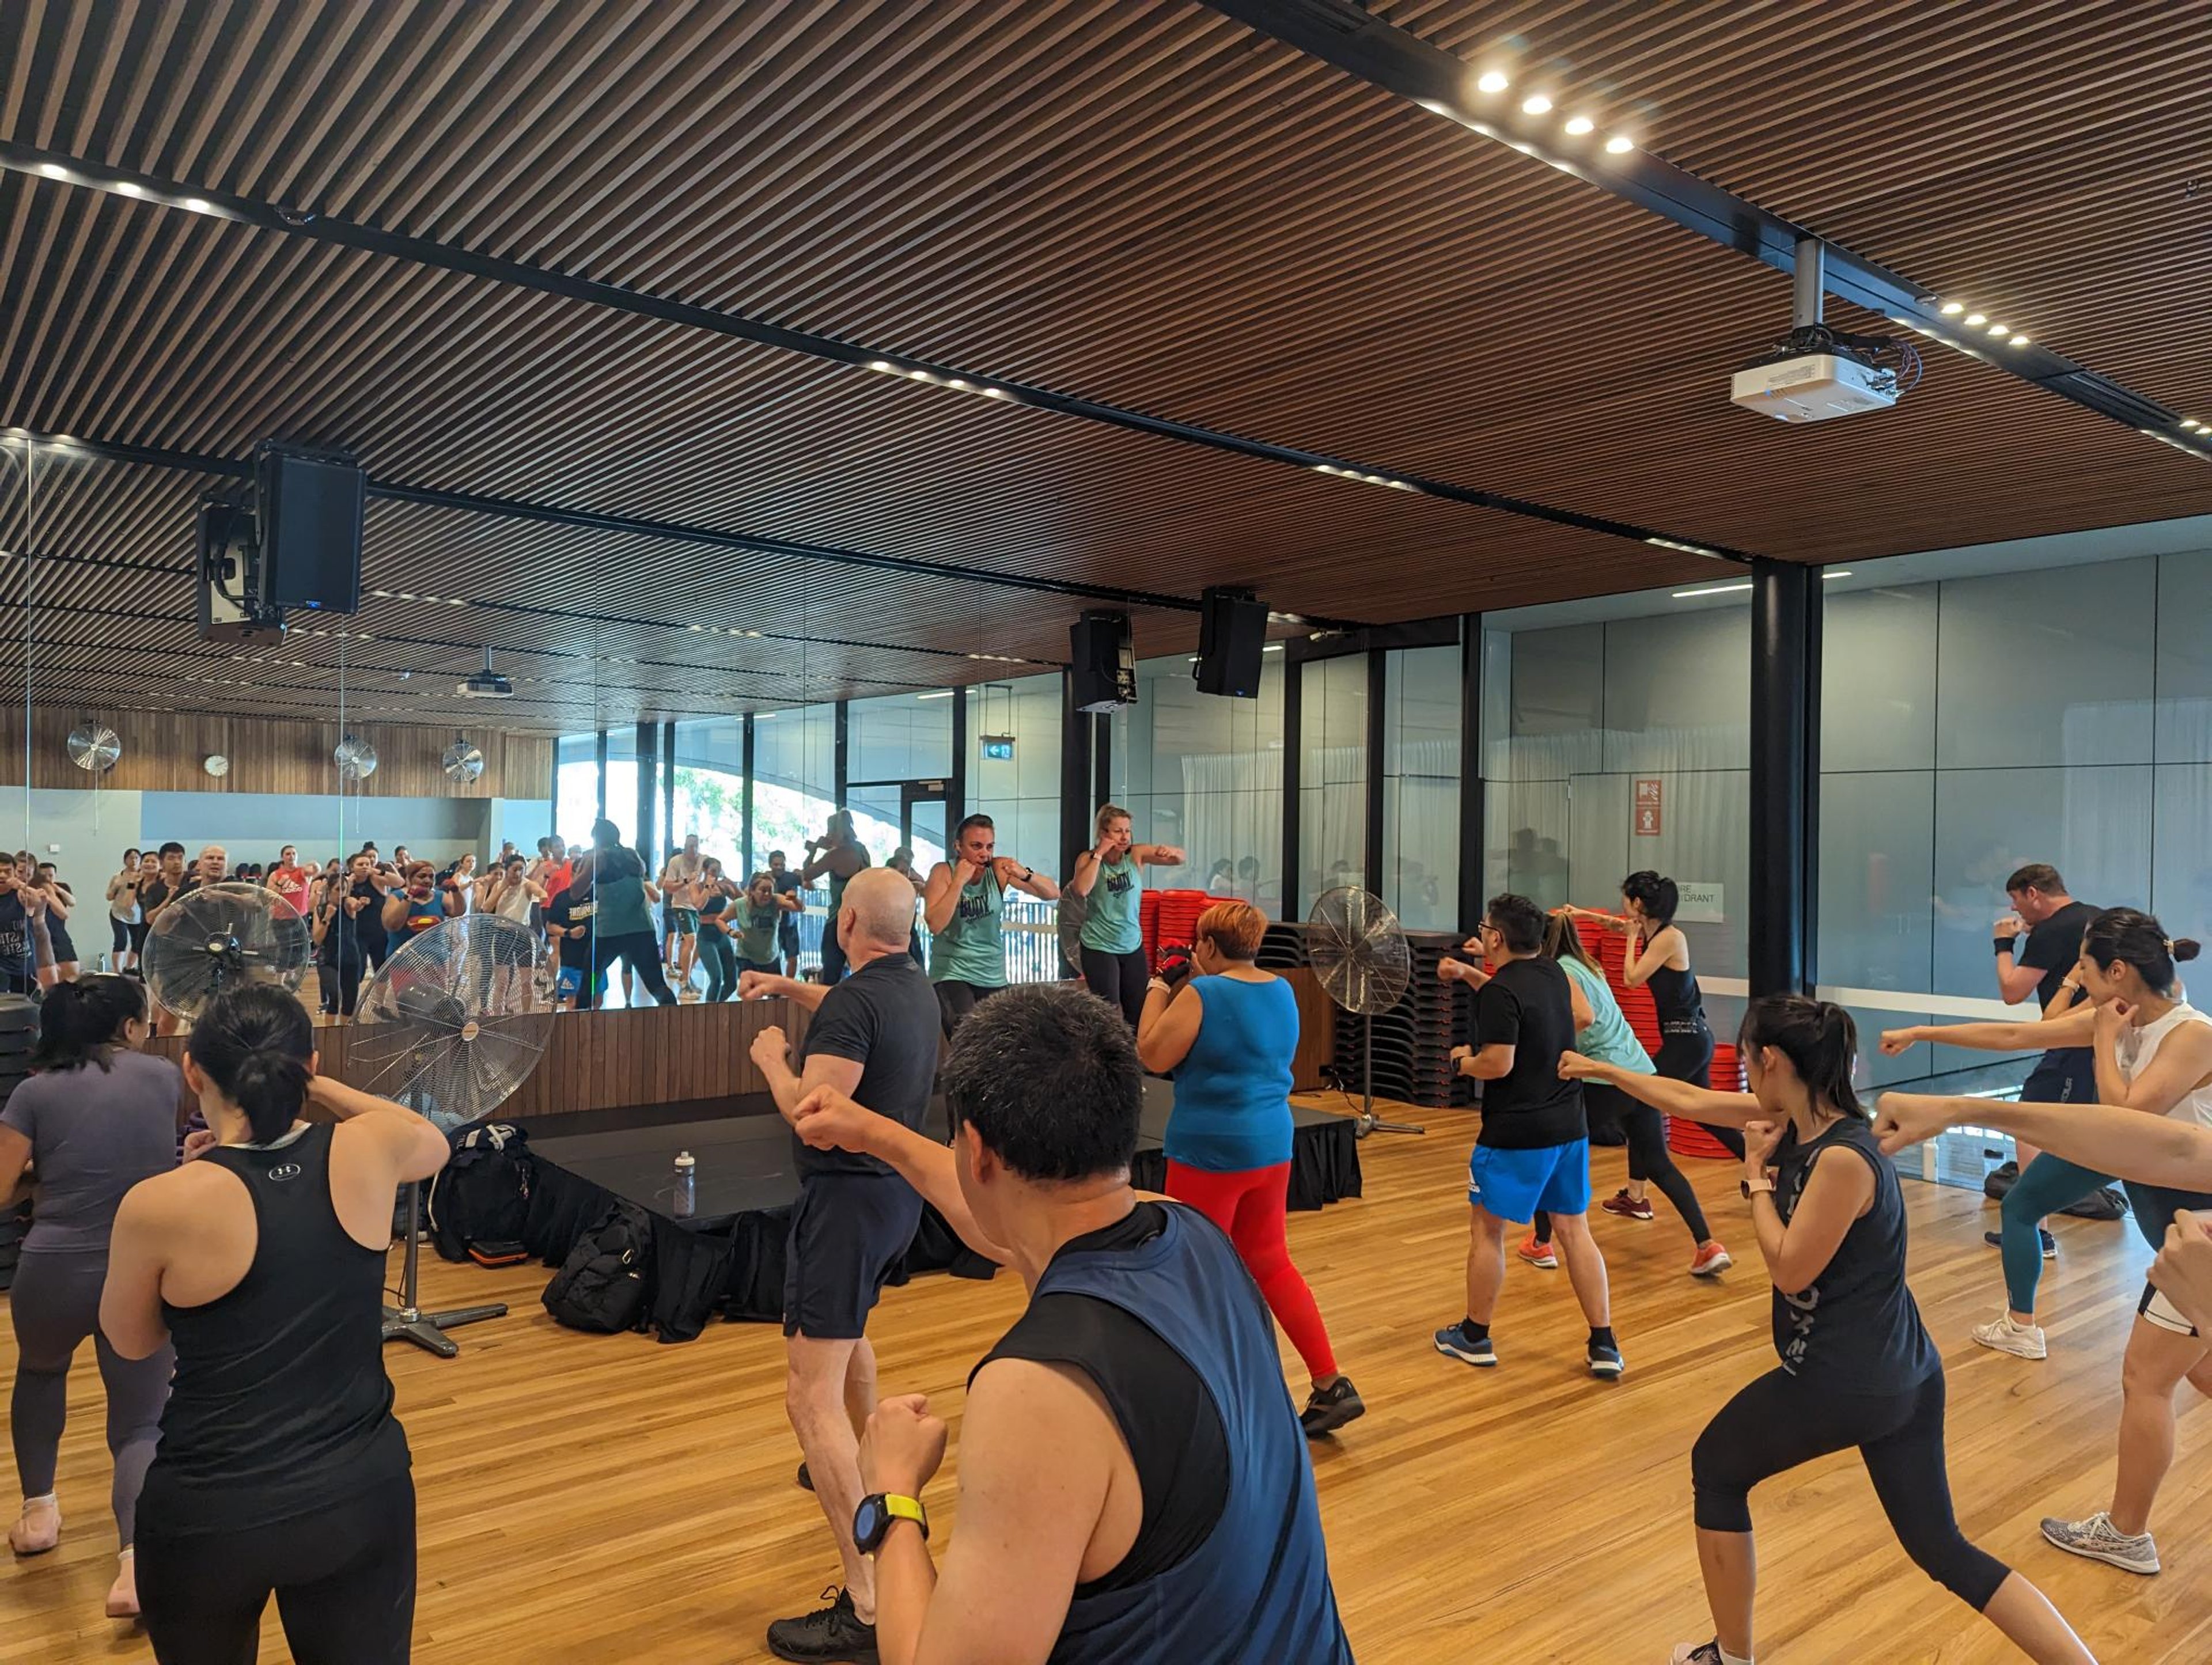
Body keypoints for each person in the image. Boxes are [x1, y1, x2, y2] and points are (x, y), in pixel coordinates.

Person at [783, 983, 1355, 1665]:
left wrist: (892, 1495)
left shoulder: (1038, 1388)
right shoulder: (1197, 1231)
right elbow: (1005, 1225)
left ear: (980, 1150)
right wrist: (872, 1129)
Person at [1558, 996, 2094, 1665]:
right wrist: (1597, 1066)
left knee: (1716, 1468)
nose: (1743, 1071)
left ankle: (1730, 1654)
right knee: (1940, 1546)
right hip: (1902, 1369)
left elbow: (1789, 1268)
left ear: (1773, 1060)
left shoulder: (1843, 1157)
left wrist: (1753, 1181)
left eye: (1748, 1057)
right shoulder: (1793, 1121)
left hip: (1848, 1378)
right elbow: (1685, 1101)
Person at [99, 984, 448, 1664]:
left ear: (193, 1070)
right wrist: (317, 1086)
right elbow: (428, 1137)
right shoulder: (367, 1148)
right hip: (361, 1494)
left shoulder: (159, 1202)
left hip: (211, 1513)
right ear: (308, 1063)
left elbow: (131, 1339)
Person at [1885, 909, 2212, 1577]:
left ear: (2116, 972)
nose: (2076, 980)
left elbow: (2125, 1116)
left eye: (2081, 971)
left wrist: (2099, 1032)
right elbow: (2013, 1032)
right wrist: (1921, 1031)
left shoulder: (2190, 1035)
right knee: (2195, 1370)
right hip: (2172, 1222)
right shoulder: (2126, 1017)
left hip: (2199, 1232)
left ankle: (2126, 1533)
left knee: (2144, 1377)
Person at [738, 869, 941, 1663]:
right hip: (894, 1203)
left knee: (806, 1395)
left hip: (847, 1207)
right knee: (848, 1337)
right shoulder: (909, 986)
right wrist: (789, 984)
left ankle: (867, 1604)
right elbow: (851, 1011)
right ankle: (866, 1464)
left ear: (846, 919)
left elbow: (815, 1118)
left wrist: (772, 1056)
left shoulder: (862, 1000)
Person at [1134, 900, 1363, 1435]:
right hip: (1271, 1144)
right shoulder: (1281, 989)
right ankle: (1330, 1382)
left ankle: (1207, 1396)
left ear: (1210, 946)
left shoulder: (1203, 992)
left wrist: (1157, 985)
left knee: (1191, 1268)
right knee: (1270, 1262)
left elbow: (1152, 1052)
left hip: (1210, 1149)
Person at [1, 977, 177, 1620]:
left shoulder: (33, 1090)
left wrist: (41, 1173)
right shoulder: (162, 1076)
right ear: (129, 1026)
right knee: (140, 1421)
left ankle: (39, 1513)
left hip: (51, 1267)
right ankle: (133, 1565)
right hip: (138, 1266)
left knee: (41, 1375)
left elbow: (1, 1189)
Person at [1434, 893, 1620, 1377]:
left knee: (1487, 1231)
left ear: (1495, 937)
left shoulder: (1502, 991)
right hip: (1568, 1127)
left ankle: (1475, 1335)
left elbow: (1498, 1063)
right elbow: (1581, 1018)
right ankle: (1604, 1344)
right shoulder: (1556, 974)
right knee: (1574, 1230)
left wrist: (1461, 1061)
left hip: (1516, 1132)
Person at [1503, 912, 1732, 1278]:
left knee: (1551, 1150)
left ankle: (1542, 1242)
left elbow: (1584, 1017)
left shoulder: (1561, 970)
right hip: (1639, 1071)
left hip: (1604, 1078)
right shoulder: (1588, 964)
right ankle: (1708, 1246)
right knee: (1657, 1162)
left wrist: (1553, 1048)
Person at [1872, 1095, 2212, 1333]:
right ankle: (2020, 1324)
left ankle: (2020, 1323)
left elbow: (2130, 1111)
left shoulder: (2187, 1033)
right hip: (2144, 1150)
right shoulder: (2119, 1019)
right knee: (2149, 1378)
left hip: (2154, 1152)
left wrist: (1957, 1110)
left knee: (2153, 1380)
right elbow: (2017, 1032)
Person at [1574, 870, 1735, 1156]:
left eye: (1624, 899)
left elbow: (1631, 978)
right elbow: (1613, 924)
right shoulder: (1650, 930)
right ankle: (1763, 1166)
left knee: (1643, 1102)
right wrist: (1579, 914)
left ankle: (1638, 1195)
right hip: (1685, 1038)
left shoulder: (1669, 938)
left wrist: (1631, 941)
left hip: (1688, 1038)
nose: (1621, 906)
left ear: (1637, 903)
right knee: (1703, 1114)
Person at [1988, 863, 2100, 1263]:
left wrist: (2003, 944)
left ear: (2033, 893)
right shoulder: (2096, 917)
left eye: (2017, 902)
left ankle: (2037, 1229)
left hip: (2073, 1045)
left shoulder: (2052, 930)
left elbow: (2012, 990)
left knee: (2030, 1122)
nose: (2017, 913)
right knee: (2046, 1122)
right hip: (2089, 1042)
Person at [922, 814, 1058, 1037]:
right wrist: (959, 882)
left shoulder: (997, 870)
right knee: (969, 1041)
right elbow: (935, 925)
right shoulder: (943, 872)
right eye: (976, 846)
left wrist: (1025, 875)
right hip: (952, 972)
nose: (984, 853)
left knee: (1000, 1044)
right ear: (959, 846)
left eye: (989, 847)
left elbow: (1053, 894)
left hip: (992, 973)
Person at [1067, 804, 1185, 1027]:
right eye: (1118, 831)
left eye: (1127, 831)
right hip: (1099, 946)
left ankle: (1133, 1058)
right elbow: (1081, 889)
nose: (1124, 837)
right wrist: (1100, 854)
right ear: (1104, 834)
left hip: (1131, 944)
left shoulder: (1136, 855)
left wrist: (1170, 852)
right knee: (1108, 1013)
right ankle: (1107, 1058)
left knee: (1137, 1011)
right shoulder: (1088, 859)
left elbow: (1180, 859)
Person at [573, 820, 676, 1008]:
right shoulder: (634, 856)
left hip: (609, 932)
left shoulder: (598, 858)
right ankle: (678, 1026)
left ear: (596, 839)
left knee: (589, 982)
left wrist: (585, 866)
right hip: (642, 929)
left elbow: (575, 891)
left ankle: (578, 1030)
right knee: (656, 984)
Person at [800, 814, 872, 986]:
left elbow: (807, 875)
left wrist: (814, 850)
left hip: (839, 919)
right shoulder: (861, 850)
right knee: (862, 972)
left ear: (834, 831)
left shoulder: (835, 855)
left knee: (830, 975)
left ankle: (828, 1008)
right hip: (863, 918)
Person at [312, 853, 374, 1020]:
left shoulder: (348, 903)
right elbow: (317, 940)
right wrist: (327, 919)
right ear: (330, 891)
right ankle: (330, 1037)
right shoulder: (321, 909)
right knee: (334, 995)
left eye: (345, 890)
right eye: (338, 890)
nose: (342, 893)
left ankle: (344, 1037)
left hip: (350, 958)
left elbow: (354, 905)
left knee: (349, 1002)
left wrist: (360, 904)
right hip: (328, 959)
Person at [0, 858, 50, 995]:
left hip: (24, 964)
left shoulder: (20, 894)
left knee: (26, 1004)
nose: (2, 876)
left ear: (14, 873)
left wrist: (21, 885)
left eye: (7, 871)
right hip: (2, 966)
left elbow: (37, 901)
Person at [380, 860, 450, 949]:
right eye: (422, 876)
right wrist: (410, 896)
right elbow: (392, 926)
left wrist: (456, 892)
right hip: (403, 958)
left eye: (431, 877)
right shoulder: (396, 896)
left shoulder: (440, 896)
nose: (427, 881)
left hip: (436, 957)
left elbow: (459, 912)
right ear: (409, 878)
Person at [33, 862, 77, 985]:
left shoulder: (61, 887)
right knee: (47, 979)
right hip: (41, 936)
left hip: (59, 933)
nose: (48, 879)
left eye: (51, 875)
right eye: (44, 876)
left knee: (72, 973)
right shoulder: (35, 890)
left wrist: (56, 891)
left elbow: (71, 904)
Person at [106, 849, 143, 972]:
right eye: (131, 858)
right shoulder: (118, 876)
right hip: (119, 914)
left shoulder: (144, 877)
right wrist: (117, 885)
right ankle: (117, 972)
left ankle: (129, 968)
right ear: (125, 860)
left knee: (138, 943)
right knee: (121, 941)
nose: (134, 861)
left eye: (137, 858)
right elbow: (109, 897)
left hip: (137, 915)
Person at [768, 849, 803, 976]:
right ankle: (775, 990)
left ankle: (788, 989)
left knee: (793, 959)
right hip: (771, 925)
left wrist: (804, 875)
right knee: (772, 959)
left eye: (782, 865)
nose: (779, 867)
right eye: (776, 865)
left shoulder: (792, 877)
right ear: (770, 865)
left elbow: (811, 886)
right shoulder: (765, 879)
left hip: (790, 925)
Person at [268, 846, 312, 921]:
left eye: (294, 854)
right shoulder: (275, 874)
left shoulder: (303, 872)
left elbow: (316, 870)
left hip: (300, 916)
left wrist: (313, 865)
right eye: (288, 854)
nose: (291, 856)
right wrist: (280, 883)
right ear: (282, 857)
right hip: (281, 918)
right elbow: (269, 896)